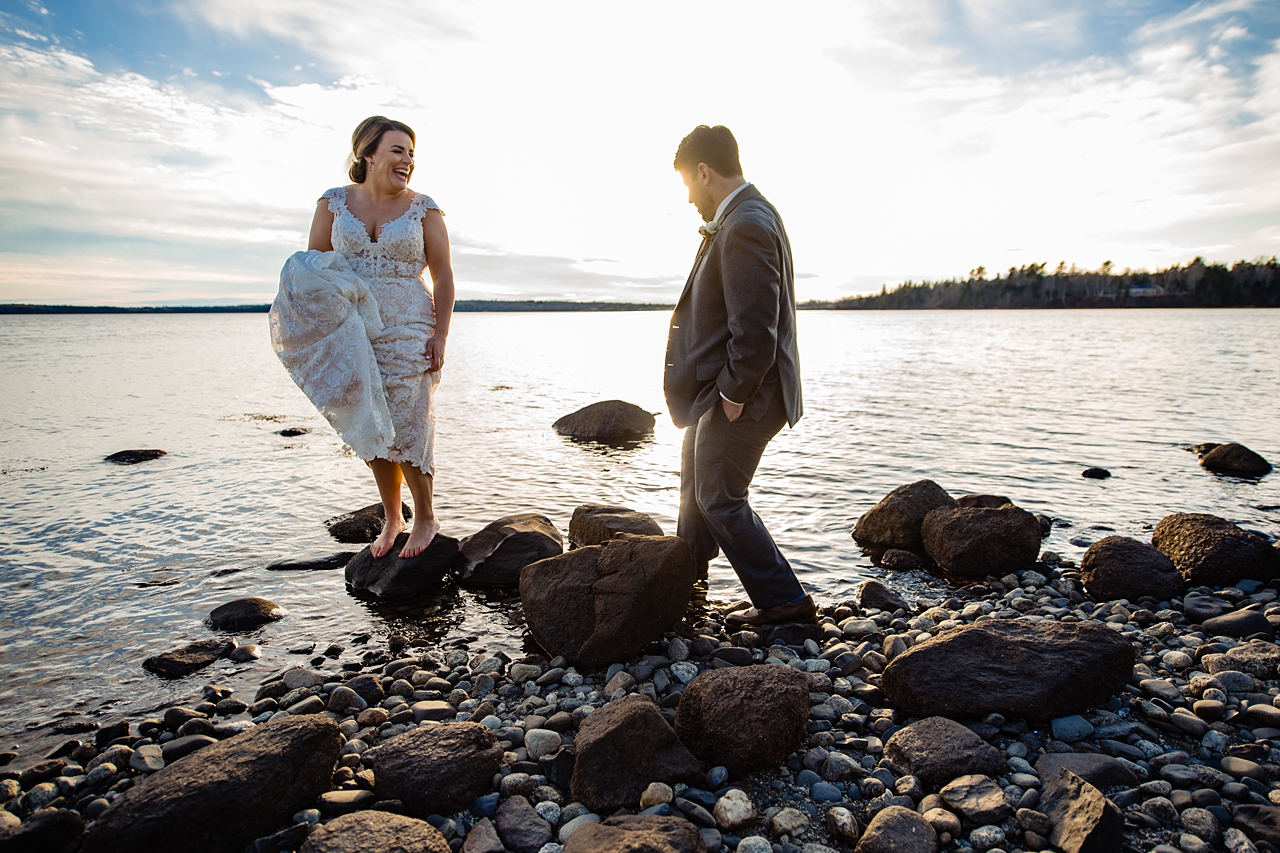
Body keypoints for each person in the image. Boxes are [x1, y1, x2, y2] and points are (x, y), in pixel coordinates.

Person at [276, 115, 454, 560]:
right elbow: (313, 267)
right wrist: (312, 328)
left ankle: (427, 516)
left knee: (411, 416)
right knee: (370, 419)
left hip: (410, 321)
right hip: (352, 323)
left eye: (412, 154)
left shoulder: (424, 208)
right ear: (368, 154)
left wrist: (441, 335)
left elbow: (444, 276)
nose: (408, 161)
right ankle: (395, 518)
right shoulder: (333, 203)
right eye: (398, 151)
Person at [664, 125, 813, 628]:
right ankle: (686, 583)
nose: (688, 198)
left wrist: (733, 393)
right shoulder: (747, 214)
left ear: (704, 172)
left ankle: (785, 602)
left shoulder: (746, 220)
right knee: (694, 487)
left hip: (747, 392)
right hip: (721, 388)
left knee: (719, 497)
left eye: (687, 183)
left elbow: (756, 327)